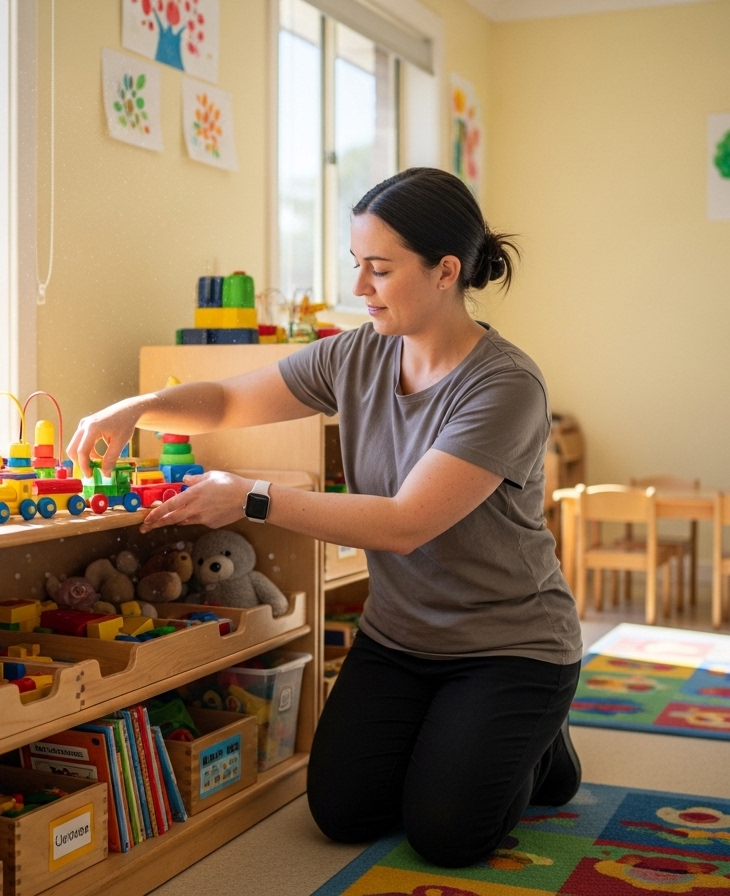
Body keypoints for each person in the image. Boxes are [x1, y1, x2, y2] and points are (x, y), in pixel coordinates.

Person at [67, 167, 582, 868]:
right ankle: (479, 738)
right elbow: (226, 402)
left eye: (378, 269)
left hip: (508, 646)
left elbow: (403, 522)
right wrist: (132, 407)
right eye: (355, 267)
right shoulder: (357, 353)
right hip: (401, 639)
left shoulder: (505, 386)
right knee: (344, 812)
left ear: (444, 272)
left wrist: (250, 495)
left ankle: (543, 747)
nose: (358, 289)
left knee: (448, 836)